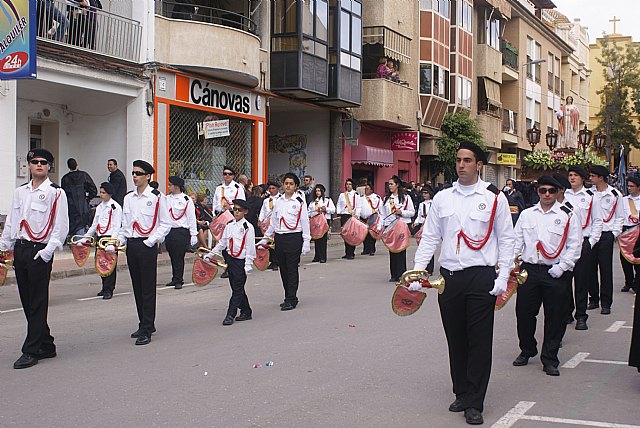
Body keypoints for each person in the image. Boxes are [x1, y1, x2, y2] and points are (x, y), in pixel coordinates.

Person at [411, 141, 514, 425]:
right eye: (458, 160)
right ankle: (461, 391)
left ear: (479, 165)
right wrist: (418, 271)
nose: (461, 165)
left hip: (481, 277)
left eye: (467, 160)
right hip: (450, 278)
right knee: (456, 338)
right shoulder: (443, 198)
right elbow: (430, 237)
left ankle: (475, 401)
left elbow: (507, 239)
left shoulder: (495, 198)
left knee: (479, 341)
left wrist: (503, 275)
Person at [0, 148, 69, 369]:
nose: (39, 165)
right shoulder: (20, 192)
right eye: (34, 161)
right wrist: (4, 246)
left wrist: (48, 251)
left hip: (40, 250)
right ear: (29, 165)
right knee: (28, 300)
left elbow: (61, 226)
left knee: (38, 301)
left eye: (43, 162)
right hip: (21, 248)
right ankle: (46, 344)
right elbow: (12, 220)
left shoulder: (56, 193)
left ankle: (31, 350)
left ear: (49, 167)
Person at [512, 175, 582, 377]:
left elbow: (574, 245)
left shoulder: (568, 214)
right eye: (543, 190)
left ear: (558, 191)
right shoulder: (527, 214)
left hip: (556, 271)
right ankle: (527, 349)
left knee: (556, 317)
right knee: (524, 313)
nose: (547, 195)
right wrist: (511, 263)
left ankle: (550, 358)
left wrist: (563, 266)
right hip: (530, 269)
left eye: (551, 191)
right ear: (537, 192)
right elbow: (518, 241)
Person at [117, 160, 171, 345]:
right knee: (137, 286)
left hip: (147, 245)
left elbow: (166, 223)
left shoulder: (157, 197)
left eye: (139, 173)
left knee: (148, 288)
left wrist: (151, 241)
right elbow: (125, 223)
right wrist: (120, 240)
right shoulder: (128, 198)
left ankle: (147, 328)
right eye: (133, 173)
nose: (135, 176)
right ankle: (143, 322)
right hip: (132, 245)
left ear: (148, 176)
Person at [261, 173, 311, 311]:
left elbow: (304, 221)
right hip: (280, 237)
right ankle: (287, 296)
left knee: (291, 268)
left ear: (296, 186)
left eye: (291, 184)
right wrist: (266, 237)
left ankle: (291, 298)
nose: (288, 186)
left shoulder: (299, 201)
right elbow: (273, 222)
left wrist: (306, 240)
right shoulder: (279, 201)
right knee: (283, 268)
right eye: (286, 183)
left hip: (294, 237)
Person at [564, 166, 602, 330]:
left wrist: (591, 242)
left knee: (581, 281)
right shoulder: (562, 194)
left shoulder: (591, 196)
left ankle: (581, 316)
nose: (572, 178)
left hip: (583, 241)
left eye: (576, 175)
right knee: (565, 281)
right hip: (564, 244)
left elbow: (597, 221)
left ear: (582, 178)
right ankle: (567, 313)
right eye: (570, 175)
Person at [211, 199, 256, 325]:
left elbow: (250, 247)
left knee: (237, 289)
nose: (236, 212)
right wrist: (211, 254)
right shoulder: (230, 225)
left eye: (239, 210)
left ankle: (230, 314)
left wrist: (248, 264)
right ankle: (246, 310)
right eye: (234, 209)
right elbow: (222, 243)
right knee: (237, 288)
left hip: (241, 261)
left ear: (245, 212)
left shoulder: (248, 227)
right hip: (231, 260)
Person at [588, 165, 624, 314]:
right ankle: (594, 299)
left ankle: (606, 302)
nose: (589, 179)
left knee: (605, 268)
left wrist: (614, 233)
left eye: (592, 176)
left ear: (600, 177)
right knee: (590, 268)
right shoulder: (589, 194)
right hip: (591, 234)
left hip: (606, 233)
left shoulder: (615, 194)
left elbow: (620, 216)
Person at [82, 182, 122, 300]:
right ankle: (104, 286)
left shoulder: (115, 207)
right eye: (100, 192)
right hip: (100, 237)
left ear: (109, 193)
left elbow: (116, 226)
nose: (101, 195)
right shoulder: (100, 207)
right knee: (100, 263)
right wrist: (86, 237)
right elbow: (95, 224)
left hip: (110, 237)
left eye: (103, 193)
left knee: (110, 264)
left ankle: (109, 289)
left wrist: (112, 242)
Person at [378, 176, 415, 282]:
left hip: (402, 225)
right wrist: (381, 227)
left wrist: (401, 212)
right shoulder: (386, 199)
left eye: (391, 184)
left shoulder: (406, 198)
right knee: (392, 250)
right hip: (390, 227)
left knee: (401, 250)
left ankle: (401, 274)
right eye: (389, 184)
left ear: (397, 185)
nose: (389, 186)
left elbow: (412, 212)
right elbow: (383, 214)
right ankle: (394, 274)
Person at [164, 176, 198, 289]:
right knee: (172, 255)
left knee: (179, 256)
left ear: (176, 186)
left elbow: (191, 218)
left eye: (170, 185)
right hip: (169, 230)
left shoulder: (186, 200)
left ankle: (179, 279)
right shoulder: (166, 199)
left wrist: (193, 234)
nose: (168, 187)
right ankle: (174, 278)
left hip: (181, 231)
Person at [61, 158, 97, 237]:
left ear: (68, 166)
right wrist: (87, 199)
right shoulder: (84, 175)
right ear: (77, 164)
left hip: (70, 206)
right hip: (82, 205)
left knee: (72, 227)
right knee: (81, 228)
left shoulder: (65, 178)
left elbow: (63, 194)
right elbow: (93, 189)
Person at [620, 176, 640, 293]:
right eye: (628, 186)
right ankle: (628, 281)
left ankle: (637, 282)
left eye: (632, 186)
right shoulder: (624, 200)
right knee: (625, 259)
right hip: (626, 231)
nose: (629, 188)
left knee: (637, 258)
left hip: (638, 231)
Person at [308, 184, 335, 263]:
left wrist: (326, 209)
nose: (317, 192)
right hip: (315, 221)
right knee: (316, 239)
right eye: (316, 191)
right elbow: (308, 212)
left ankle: (323, 257)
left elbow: (333, 210)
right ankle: (317, 256)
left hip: (324, 221)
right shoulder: (313, 202)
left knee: (323, 239)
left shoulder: (327, 200)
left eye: (319, 191)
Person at [336, 178, 361, 260]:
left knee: (351, 234)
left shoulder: (356, 194)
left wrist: (357, 215)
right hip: (344, 216)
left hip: (352, 216)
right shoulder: (342, 195)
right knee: (345, 234)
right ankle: (347, 252)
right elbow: (339, 205)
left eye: (350, 184)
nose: (348, 186)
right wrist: (339, 212)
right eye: (347, 184)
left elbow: (358, 206)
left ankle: (351, 253)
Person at [412, 184, 435, 273]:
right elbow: (419, 215)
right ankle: (424, 265)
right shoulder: (421, 204)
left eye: (426, 193)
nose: (424, 195)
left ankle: (430, 268)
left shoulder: (433, 203)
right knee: (422, 245)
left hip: (431, 225)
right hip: (423, 225)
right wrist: (416, 222)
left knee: (430, 245)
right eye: (423, 193)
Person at [259, 181, 281, 271]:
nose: (271, 190)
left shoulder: (281, 199)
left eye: (273, 188)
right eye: (270, 189)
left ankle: (277, 261)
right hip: (268, 223)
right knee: (269, 242)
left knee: (276, 242)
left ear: (277, 189)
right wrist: (260, 220)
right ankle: (272, 261)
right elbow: (263, 211)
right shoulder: (266, 200)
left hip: (278, 223)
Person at [360, 183, 381, 256]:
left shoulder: (376, 197)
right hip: (363, 217)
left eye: (367, 189)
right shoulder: (362, 197)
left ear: (371, 190)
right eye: (365, 189)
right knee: (364, 234)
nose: (366, 190)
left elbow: (379, 207)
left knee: (372, 234)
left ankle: (372, 249)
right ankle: (366, 249)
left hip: (372, 216)